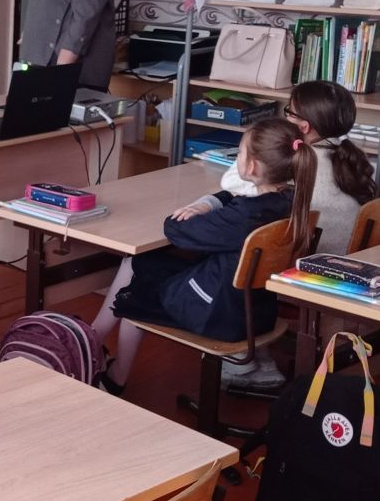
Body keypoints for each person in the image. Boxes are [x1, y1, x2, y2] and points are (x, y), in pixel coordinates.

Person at [91, 117, 317, 394]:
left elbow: (175, 229)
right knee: (145, 266)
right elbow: (232, 198)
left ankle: (106, 363)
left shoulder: (243, 217)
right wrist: (209, 203)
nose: (237, 157)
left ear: (252, 167)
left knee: (136, 288)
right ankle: (95, 343)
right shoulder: (287, 202)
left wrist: (197, 208)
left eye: (240, 152)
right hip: (257, 311)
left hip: (220, 315)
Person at [213, 80, 380, 388]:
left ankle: (244, 361)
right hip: (343, 265)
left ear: (303, 127)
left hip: (308, 274)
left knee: (239, 258)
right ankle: (259, 357)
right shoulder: (349, 159)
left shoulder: (294, 168)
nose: (283, 117)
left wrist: (254, 144)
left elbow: (232, 180)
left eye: (287, 112)